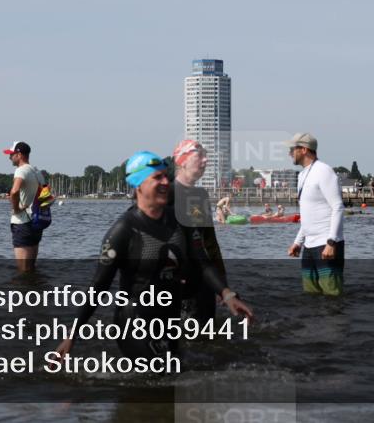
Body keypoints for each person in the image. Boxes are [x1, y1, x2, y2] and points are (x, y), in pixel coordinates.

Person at [55, 151, 252, 361]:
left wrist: (227, 294)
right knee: (160, 377)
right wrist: (72, 335)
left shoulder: (181, 221)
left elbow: (201, 261)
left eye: (166, 176)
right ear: (138, 184)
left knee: (175, 376)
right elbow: (99, 286)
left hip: (170, 319)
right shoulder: (123, 231)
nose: (166, 182)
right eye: (157, 177)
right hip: (134, 321)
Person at [169, 139, 228, 322]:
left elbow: (210, 242)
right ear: (182, 161)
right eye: (200, 156)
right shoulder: (167, 194)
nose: (205, 161)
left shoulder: (201, 195)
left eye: (206, 157)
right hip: (175, 281)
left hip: (203, 277)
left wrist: (222, 284)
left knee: (207, 334)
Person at [285, 134, 345, 296]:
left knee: (332, 296)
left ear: (304, 150)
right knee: (310, 296)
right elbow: (308, 215)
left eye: (292, 149)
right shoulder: (303, 175)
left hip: (326, 244)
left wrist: (331, 242)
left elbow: (338, 207)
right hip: (309, 246)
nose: (289, 153)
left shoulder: (324, 171)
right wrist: (298, 242)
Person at [3, 141, 45, 273]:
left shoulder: (20, 170)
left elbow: (15, 191)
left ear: (19, 154)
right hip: (36, 222)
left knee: (23, 271)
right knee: (31, 268)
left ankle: (23, 292)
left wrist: (16, 208)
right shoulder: (36, 171)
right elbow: (45, 194)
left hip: (22, 223)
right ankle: (35, 290)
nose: (10, 157)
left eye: (12, 154)